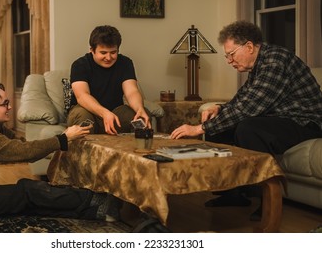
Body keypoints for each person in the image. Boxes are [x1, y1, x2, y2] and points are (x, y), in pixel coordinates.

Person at [170, 20, 322, 216]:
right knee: (221, 123)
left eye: (231, 55)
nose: (229, 61)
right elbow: (244, 99)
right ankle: (233, 194)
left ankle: (267, 201)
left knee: (248, 128)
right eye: (227, 57)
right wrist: (220, 108)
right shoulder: (259, 64)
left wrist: (199, 129)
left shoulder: (275, 61)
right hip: (282, 118)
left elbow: (249, 108)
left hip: (305, 122)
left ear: (249, 46)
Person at [0, 82, 120, 221]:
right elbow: (23, 152)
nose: (9, 107)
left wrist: (62, 143)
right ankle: (94, 200)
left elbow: (24, 144)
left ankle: (94, 212)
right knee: (26, 191)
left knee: (28, 203)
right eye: (5, 103)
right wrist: (62, 139)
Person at [67, 25, 151, 135]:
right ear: (92, 50)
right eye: (103, 53)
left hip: (115, 113)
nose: (108, 57)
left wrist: (139, 109)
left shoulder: (125, 63)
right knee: (83, 116)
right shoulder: (80, 65)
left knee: (141, 116)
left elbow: (131, 91)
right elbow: (82, 96)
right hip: (87, 112)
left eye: (113, 52)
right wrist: (104, 113)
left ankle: (135, 151)